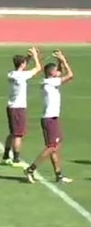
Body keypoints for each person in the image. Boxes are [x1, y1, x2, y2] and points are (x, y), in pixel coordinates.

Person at [23, 50, 74, 184]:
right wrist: (63, 60)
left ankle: (59, 175)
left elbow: (60, 73)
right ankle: (31, 169)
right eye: (56, 70)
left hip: (51, 118)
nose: (58, 71)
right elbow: (70, 75)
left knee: (55, 148)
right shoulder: (51, 83)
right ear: (52, 73)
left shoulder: (49, 81)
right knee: (51, 147)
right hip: (50, 119)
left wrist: (59, 62)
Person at [2, 47, 42, 167]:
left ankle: (5, 156)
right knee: (18, 134)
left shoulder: (12, 74)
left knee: (12, 133)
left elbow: (22, 67)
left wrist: (28, 58)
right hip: (18, 108)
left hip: (11, 106)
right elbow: (38, 69)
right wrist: (35, 56)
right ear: (22, 64)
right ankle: (16, 160)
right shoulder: (22, 76)